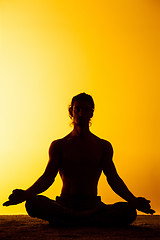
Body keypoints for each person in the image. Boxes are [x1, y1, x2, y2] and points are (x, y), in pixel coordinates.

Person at [3, 93, 155, 226]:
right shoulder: (59, 145)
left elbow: (113, 178)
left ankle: (73, 220)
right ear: (71, 111)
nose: (81, 113)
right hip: (65, 205)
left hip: (93, 206)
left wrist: (134, 201)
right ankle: (82, 219)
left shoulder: (103, 146)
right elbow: (48, 177)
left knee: (128, 211)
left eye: (86, 110)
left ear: (91, 113)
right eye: (78, 109)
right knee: (33, 203)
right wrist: (25, 194)